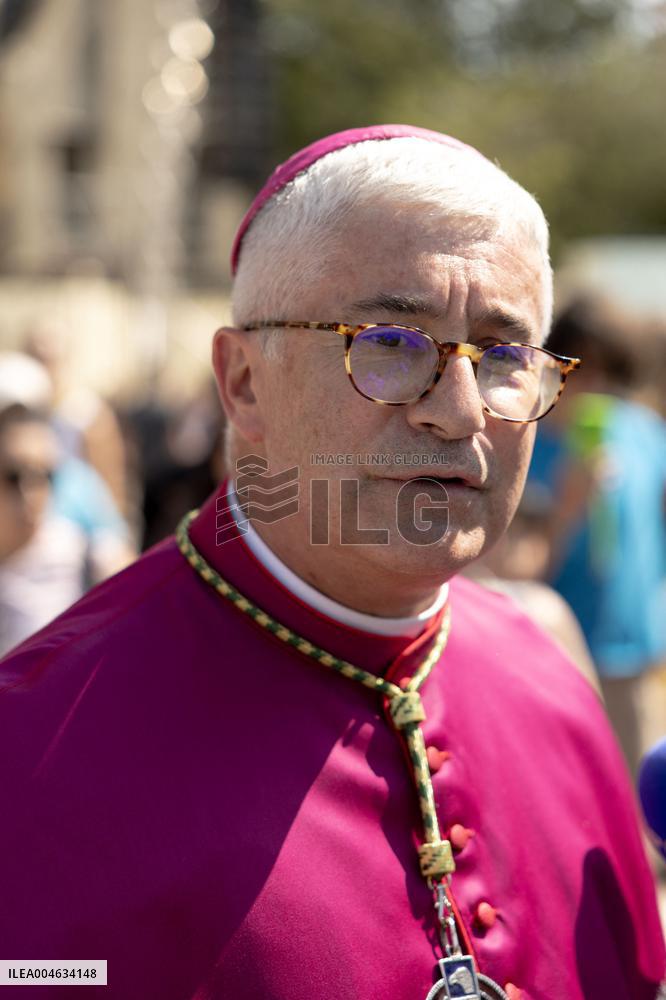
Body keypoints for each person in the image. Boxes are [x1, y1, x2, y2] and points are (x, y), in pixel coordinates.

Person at [0, 125, 663, 1000]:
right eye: (389, 344)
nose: (459, 411)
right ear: (243, 384)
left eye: (505, 357)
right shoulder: (31, 755)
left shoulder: (553, 685)